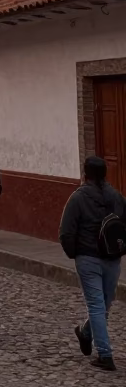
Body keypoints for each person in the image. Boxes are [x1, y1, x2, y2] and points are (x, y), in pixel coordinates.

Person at [59, 155, 126, 372]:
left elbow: (66, 231)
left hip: (89, 257)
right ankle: (98, 345)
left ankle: (93, 341)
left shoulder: (77, 198)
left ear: (85, 173)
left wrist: (75, 253)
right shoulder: (116, 196)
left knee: (101, 305)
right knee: (101, 304)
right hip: (110, 257)